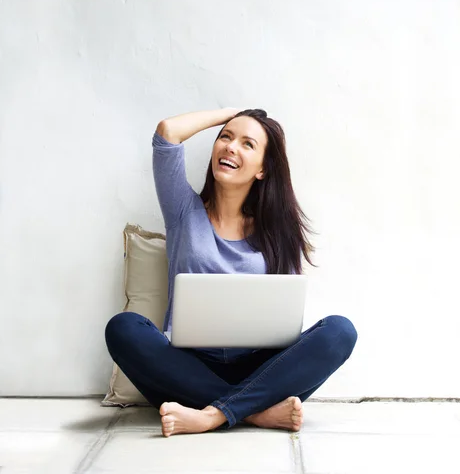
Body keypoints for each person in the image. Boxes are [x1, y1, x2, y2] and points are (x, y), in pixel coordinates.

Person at [105, 108, 358, 437]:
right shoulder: (183, 210)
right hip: (186, 368)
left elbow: (285, 313)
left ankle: (210, 415)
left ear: (263, 169)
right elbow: (167, 132)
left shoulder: (278, 231)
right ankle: (253, 413)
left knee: (340, 331)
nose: (230, 147)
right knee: (123, 328)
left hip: (260, 370)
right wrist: (234, 114)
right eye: (225, 137)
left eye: (247, 144)